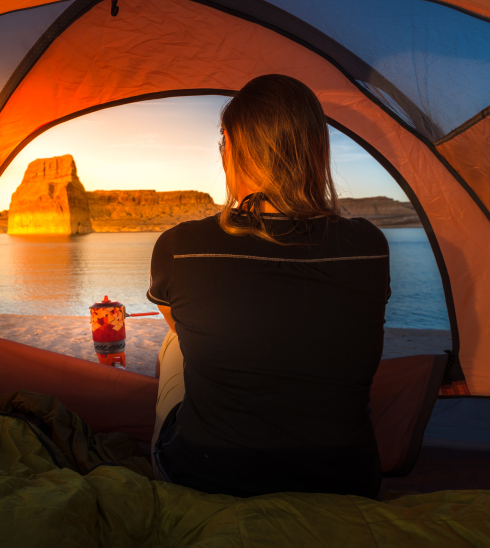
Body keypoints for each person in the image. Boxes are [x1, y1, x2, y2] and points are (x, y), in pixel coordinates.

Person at [147, 74, 390, 499]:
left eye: (223, 144)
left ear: (232, 148)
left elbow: (177, 327)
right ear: (317, 150)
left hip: (208, 478)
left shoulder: (179, 247)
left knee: (173, 348)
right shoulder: (370, 247)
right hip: (345, 483)